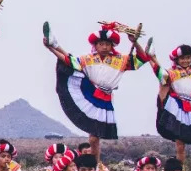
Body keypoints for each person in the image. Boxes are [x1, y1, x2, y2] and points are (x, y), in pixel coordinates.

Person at [43, 23, 142, 163]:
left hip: (105, 97)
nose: (104, 47)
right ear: (95, 45)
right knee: (93, 137)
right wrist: (51, 49)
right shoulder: (88, 59)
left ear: (112, 45)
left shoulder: (121, 60)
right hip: (89, 92)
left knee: (95, 137)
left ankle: (94, 165)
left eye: (107, 44)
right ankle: (55, 43)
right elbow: (69, 61)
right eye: (101, 44)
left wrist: (135, 42)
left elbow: (142, 59)